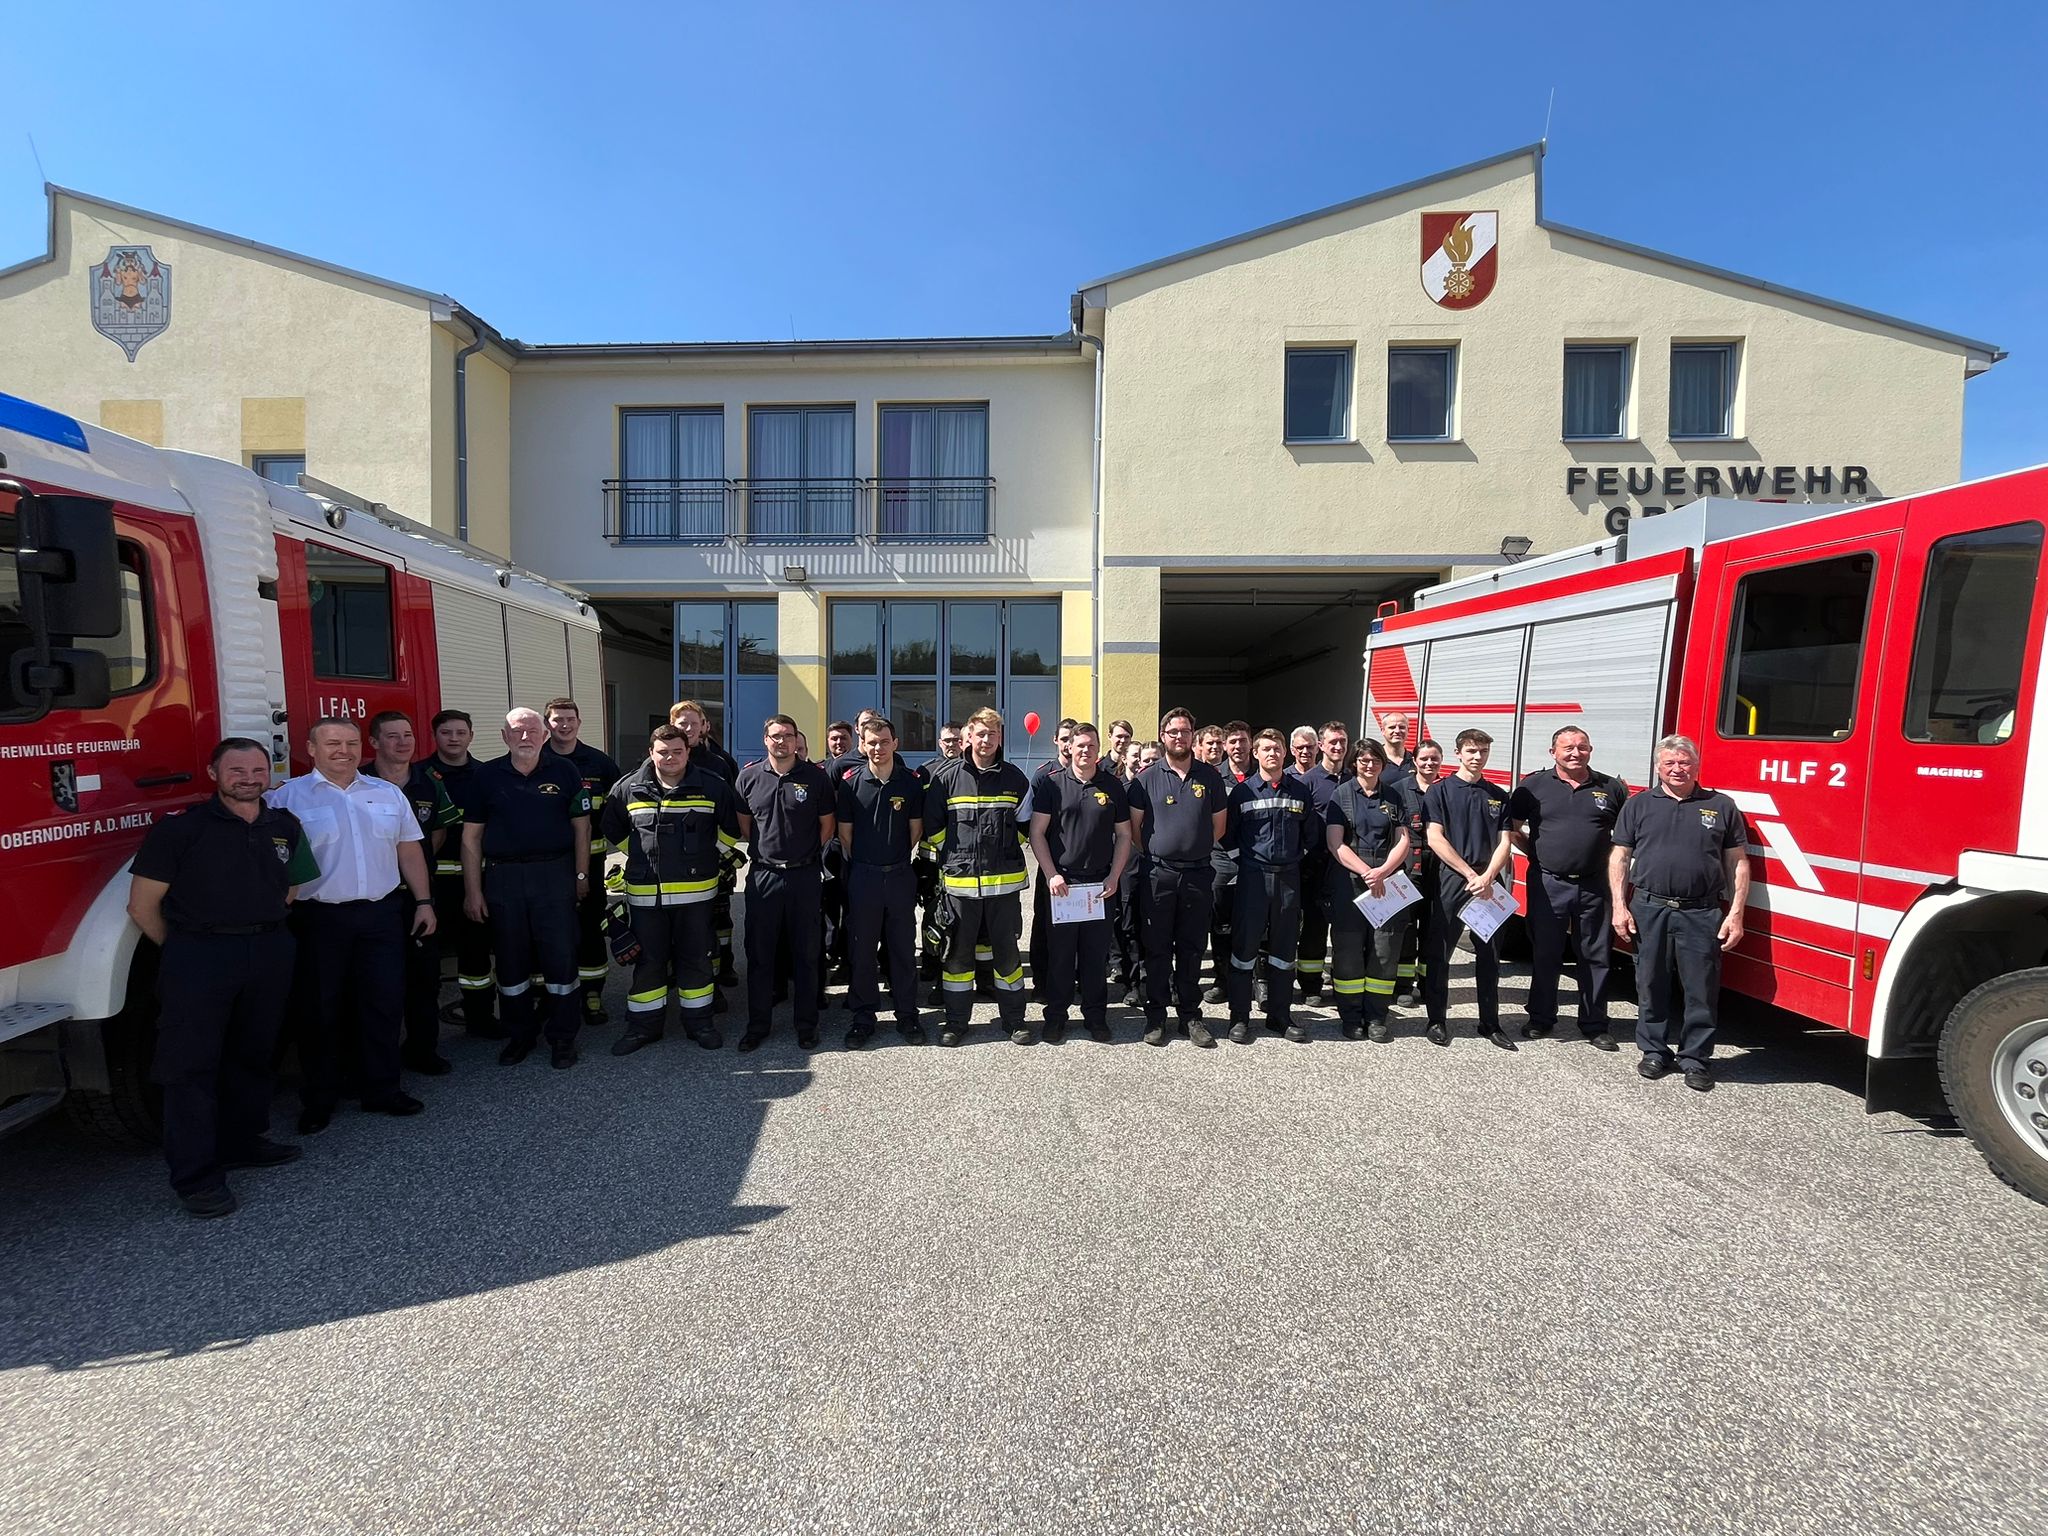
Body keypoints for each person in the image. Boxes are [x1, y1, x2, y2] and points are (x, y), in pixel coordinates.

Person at [127, 738, 319, 1218]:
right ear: (214, 771)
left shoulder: (284, 825)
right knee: (189, 1067)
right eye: (237, 769)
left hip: (269, 948)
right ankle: (196, 1177)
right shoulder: (181, 830)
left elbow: (293, 882)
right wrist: (184, 950)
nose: (249, 778)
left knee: (254, 1052)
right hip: (199, 954)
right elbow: (142, 905)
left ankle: (242, 1142)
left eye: (258, 769)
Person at [270, 718, 435, 1131]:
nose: (342, 750)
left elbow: (409, 851)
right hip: (318, 918)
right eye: (332, 743)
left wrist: (424, 902)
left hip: (381, 914)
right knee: (319, 1009)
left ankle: (382, 1089)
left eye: (350, 742)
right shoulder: (286, 798)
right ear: (311, 748)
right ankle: (320, 1097)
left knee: (383, 1003)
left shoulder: (387, 793)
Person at [1609, 736, 1750, 1092]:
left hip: (1701, 911)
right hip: (1650, 907)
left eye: (1684, 762)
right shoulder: (1638, 805)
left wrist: (1735, 914)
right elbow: (1620, 857)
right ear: (1658, 767)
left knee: (1701, 987)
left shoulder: (1720, 806)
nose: (1677, 769)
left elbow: (1737, 863)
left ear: (1696, 766)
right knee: (1650, 982)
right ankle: (1654, 1051)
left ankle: (1695, 1058)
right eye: (1670, 763)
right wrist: (1619, 906)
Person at [600, 723, 743, 1055]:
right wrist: (636, 854)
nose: (671, 758)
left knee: (696, 960)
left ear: (687, 752)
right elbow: (611, 826)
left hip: (697, 896)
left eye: (677, 751)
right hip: (646, 897)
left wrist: (709, 856)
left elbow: (731, 829)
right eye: (663, 752)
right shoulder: (628, 787)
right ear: (651, 753)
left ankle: (700, 1024)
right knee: (649, 963)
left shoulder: (712, 786)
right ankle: (643, 1028)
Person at [462, 708, 592, 1069]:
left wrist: (582, 877)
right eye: (517, 731)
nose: (525, 737)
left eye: (532, 731)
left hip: (555, 876)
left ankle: (563, 1037)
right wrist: (473, 891)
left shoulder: (565, 771)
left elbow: (582, 829)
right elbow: (471, 837)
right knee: (509, 959)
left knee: (561, 958)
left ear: (544, 735)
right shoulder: (486, 776)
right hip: (503, 879)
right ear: (504, 735)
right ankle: (520, 1034)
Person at [1510, 726, 1629, 1051]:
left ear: (1591, 750)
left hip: (1594, 884)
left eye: (1582, 747)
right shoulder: (1533, 786)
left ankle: (1594, 1024)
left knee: (1596, 955)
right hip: (1549, 883)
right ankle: (1541, 1018)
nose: (1575, 753)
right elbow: (1512, 829)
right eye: (1568, 748)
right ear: (1553, 752)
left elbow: (1623, 838)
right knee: (1546, 952)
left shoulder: (1611, 787)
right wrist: (1537, 852)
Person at [923, 706, 1031, 1046]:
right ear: (969, 736)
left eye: (993, 734)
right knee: (957, 959)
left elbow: (1027, 827)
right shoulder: (946, 778)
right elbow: (933, 827)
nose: (986, 740)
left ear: (1000, 738)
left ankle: (1014, 1020)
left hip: (1004, 889)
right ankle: (956, 1023)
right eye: (980, 733)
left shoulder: (1015, 778)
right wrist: (954, 857)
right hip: (959, 888)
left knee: (1008, 959)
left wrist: (1007, 851)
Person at [364, 710, 462, 1075]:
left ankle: (423, 1050)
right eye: (392, 736)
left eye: (407, 735)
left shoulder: (428, 782)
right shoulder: (359, 782)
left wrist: (414, 870)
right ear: (373, 742)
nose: (402, 742)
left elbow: (437, 832)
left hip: (418, 899)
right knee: (377, 983)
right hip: (375, 899)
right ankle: (378, 1058)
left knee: (424, 979)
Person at [1127, 707, 1228, 1048]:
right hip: (1158, 875)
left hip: (1199, 875)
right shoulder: (1145, 779)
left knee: (1192, 948)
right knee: (1155, 948)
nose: (1179, 738)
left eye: (1185, 732)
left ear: (1192, 736)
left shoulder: (1210, 777)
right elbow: (1136, 830)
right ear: (1163, 736)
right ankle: (1156, 1016)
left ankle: (1189, 1015)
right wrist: (1164, 853)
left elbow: (1219, 827)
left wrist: (1192, 849)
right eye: (1173, 732)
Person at [735, 715, 835, 1051]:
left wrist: (801, 857)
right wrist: (771, 856)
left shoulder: (816, 779)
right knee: (760, 953)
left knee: (806, 953)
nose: (782, 742)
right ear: (765, 740)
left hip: (804, 876)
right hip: (764, 875)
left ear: (796, 741)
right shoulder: (748, 778)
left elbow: (827, 827)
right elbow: (746, 826)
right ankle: (758, 1024)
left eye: (788, 736)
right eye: (776, 736)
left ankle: (806, 1025)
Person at [1028, 723, 1132, 1045]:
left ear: (1099, 750)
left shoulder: (1112, 786)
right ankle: (1056, 1016)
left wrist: (1114, 876)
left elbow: (1125, 835)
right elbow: (1037, 833)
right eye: (1080, 745)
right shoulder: (1052, 784)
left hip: (1099, 886)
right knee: (1060, 956)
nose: (1085, 750)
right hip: (1064, 886)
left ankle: (1095, 1016)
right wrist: (1051, 874)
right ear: (1069, 747)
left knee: (1094, 955)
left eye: (1091, 745)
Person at [1422, 729, 1517, 1051]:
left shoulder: (1497, 795)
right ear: (1459, 753)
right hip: (1452, 878)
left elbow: (1506, 841)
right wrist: (1468, 873)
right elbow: (1435, 837)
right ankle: (1436, 1019)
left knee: (1489, 954)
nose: (1478, 757)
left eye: (1483, 752)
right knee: (1441, 951)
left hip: (1488, 881)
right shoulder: (1440, 792)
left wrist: (1489, 875)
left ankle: (1490, 1022)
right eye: (1472, 751)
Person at [837, 714, 925, 1048]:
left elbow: (915, 831)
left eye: (884, 742)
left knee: (902, 949)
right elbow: (846, 835)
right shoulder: (849, 783)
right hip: (864, 876)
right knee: (861, 950)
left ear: (895, 744)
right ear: (862, 745)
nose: (878, 748)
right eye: (871, 743)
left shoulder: (910, 782)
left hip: (901, 875)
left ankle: (907, 1015)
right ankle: (863, 1017)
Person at [1224, 729, 1312, 1043]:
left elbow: (1309, 836)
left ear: (1285, 752)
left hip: (1288, 879)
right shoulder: (1242, 792)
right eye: (1265, 749)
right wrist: (1246, 863)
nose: (1272, 753)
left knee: (1284, 951)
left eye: (1277, 748)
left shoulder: (1300, 792)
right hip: (1253, 878)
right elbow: (1227, 836)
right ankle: (1239, 1017)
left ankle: (1279, 1016)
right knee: (1244, 950)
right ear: (1256, 754)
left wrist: (1292, 860)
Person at [1323, 739, 1413, 1042]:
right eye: (1363, 760)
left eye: (1375, 760)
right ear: (1354, 764)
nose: (1370, 765)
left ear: (1382, 764)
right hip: (1351, 880)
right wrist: (1365, 871)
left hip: (1386, 880)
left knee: (1385, 950)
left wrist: (1383, 872)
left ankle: (1376, 1015)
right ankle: (1350, 1016)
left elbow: (1403, 839)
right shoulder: (1342, 795)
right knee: (1348, 950)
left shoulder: (1393, 796)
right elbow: (1335, 842)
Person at [544, 697, 624, 1029]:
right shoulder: (537, 759)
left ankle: (593, 993)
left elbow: (619, 811)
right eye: (557, 719)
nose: (564, 725)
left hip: (590, 862)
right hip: (548, 863)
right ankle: (550, 994)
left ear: (579, 722)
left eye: (569, 719)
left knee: (590, 927)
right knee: (549, 929)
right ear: (546, 723)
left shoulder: (599, 763)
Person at [427, 709, 497, 1037]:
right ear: (435, 736)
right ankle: (423, 1031)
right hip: (431, 884)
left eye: (460, 732)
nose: (453, 739)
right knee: (426, 961)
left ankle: (480, 1020)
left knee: (476, 955)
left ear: (471, 736)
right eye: (446, 733)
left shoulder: (487, 775)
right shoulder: (419, 776)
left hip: (475, 881)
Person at [672, 699, 741, 998]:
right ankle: (684, 970)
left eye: (692, 723)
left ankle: (723, 966)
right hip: (674, 860)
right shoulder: (661, 759)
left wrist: (720, 851)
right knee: (681, 920)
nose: (687, 728)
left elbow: (733, 816)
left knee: (718, 916)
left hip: (713, 856)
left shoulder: (720, 764)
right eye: (680, 724)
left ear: (705, 726)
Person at [1295, 720, 1349, 1007]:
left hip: (1347, 869)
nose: (1338, 747)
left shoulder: (1355, 780)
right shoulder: (1307, 783)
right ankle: (1311, 986)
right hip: (1315, 868)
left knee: (1346, 931)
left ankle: (1343, 982)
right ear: (1321, 746)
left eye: (1342, 741)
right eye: (1333, 742)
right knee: (1313, 930)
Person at [1393, 738, 1443, 1006]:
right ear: (1415, 761)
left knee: (1434, 929)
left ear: (1441, 761)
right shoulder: (1399, 789)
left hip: (1440, 868)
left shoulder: (1447, 789)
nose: (1429, 763)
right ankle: (1403, 985)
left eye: (1434, 758)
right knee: (1406, 927)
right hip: (1409, 868)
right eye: (1424, 758)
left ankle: (1428, 984)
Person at [1379, 712, 1416, 789]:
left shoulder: (1415, 761)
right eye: (1392, 727)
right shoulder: (1375, 760)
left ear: (1408, 730)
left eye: (1402, 727)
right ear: (1383, 731)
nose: (1397, 731)